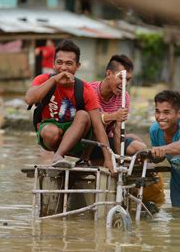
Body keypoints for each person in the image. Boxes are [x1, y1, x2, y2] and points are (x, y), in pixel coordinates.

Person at [24, 40, 113, 172]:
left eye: (69, 63)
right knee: (50, 131)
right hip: (51, 134)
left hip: (77, 137)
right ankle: (58, 155)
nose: (64, 68)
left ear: (78, 66)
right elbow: (29, 99)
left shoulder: (84, 89)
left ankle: (67, 156)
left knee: (83, 114)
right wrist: (53, 80)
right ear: (53, 63)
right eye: (59, 63)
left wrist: (108, 159)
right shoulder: (43, 79)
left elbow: (98, 126)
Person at [88, 54, 165, 206]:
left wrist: (119, 160)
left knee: (140, 147)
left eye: (128, 80)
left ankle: (143, 198)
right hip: (89, 141)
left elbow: (118, 131)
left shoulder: (124, 97)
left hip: (108, 140)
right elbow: (93, 121)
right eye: (121, 78)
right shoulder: (90, 91)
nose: (124, 84)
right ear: (109, 74)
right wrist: (114, 115)